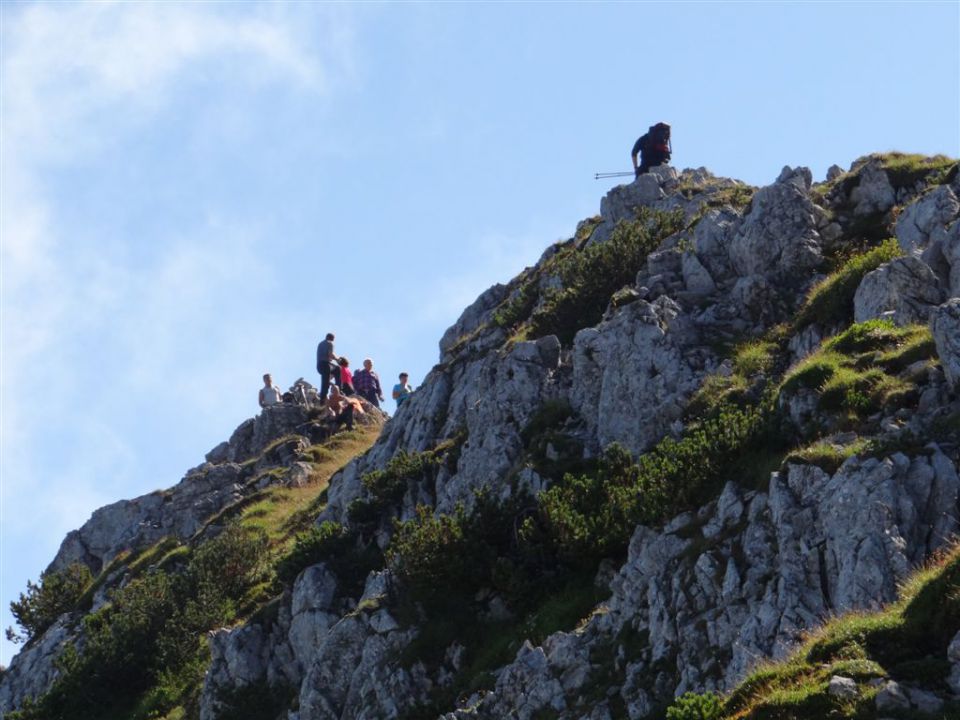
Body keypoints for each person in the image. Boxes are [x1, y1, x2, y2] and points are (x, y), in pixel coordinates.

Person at [315, 332, 339, 400]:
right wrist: (337, 359)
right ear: (332, 338)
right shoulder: (330, 343)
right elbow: (330, 354)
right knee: (338, 369)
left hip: (319, 365)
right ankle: (338, 388)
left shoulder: (320, 344)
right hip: (326, 365)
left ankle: (322, 399)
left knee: (324, 383)